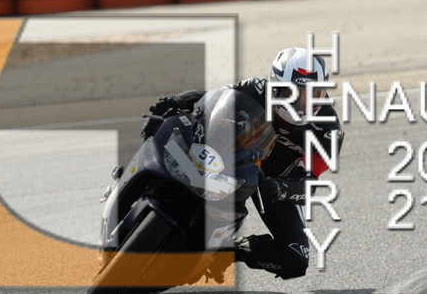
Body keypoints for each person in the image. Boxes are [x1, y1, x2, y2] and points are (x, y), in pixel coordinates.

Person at [142, 48, 344, 280]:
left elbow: (309, 183)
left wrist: (281, 188)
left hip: (273, 184)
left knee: (295, 258)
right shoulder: (258, 87)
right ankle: (141, 178)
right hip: (234, 156)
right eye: (291, 94)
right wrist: (177, 100)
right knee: (167, 121)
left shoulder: (329, 130)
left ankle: (225, 251)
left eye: (312, 95)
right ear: (275, 85)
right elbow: (212, 98)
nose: (301, 104)